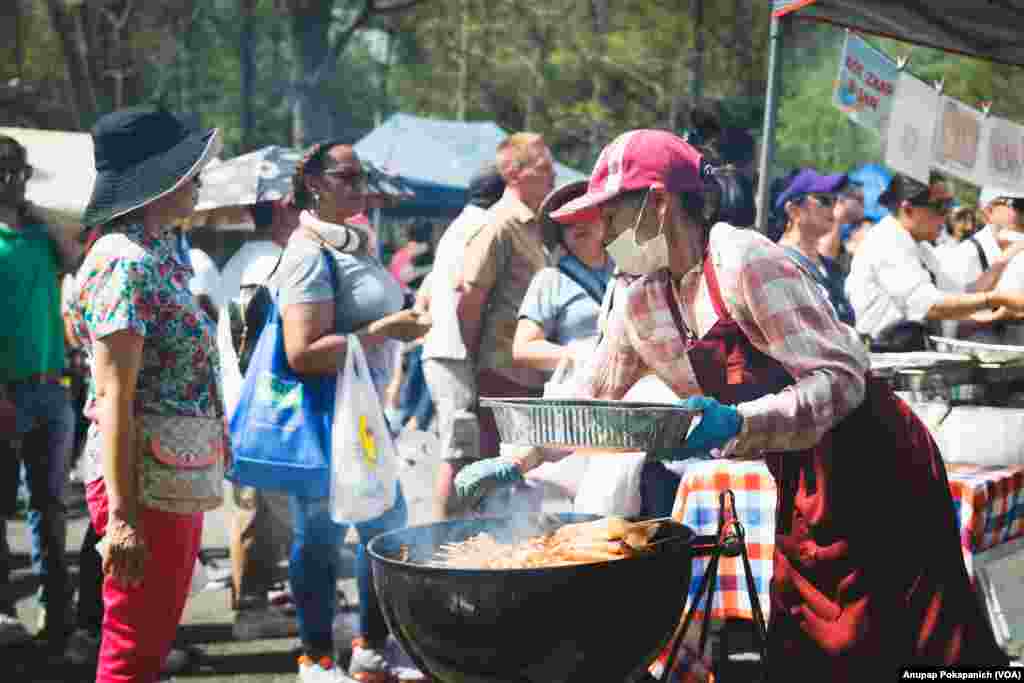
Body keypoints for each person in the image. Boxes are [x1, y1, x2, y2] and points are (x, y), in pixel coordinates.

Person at [455, 129, 1009, 679]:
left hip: (877, 462)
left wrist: (742, 420)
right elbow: (595, 396)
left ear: (658, 202)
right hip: (801, 475)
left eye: (612, 212)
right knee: (810, 643)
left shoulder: (743, 259)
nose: (602, 232)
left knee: (908, 641)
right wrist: (519, 458)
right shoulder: (638, 293)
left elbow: (841, 380)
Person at [68, 106, 224, 682]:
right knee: (133, 647)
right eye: (189, 170)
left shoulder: (157, 256)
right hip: (142, 483)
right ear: (157, 180)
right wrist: (124, 518)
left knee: (150, 642)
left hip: (168, 474)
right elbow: (112, 395)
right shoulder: (123, 262)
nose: (200, 179)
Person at [277, 140, 427, 682]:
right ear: (314, 183)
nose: (359, 185)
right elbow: (302, 353)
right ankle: (314, 656)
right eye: (347, 176)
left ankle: (371, 648)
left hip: (362, 413)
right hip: (323, 416)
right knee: (320, 537)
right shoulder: (306, 253)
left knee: (385, 531)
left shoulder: (353, 243)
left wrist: (405, 317)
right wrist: (385, 331)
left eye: (362, 175)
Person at [0, 134, 76, 652]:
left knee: (49, 508)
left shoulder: (42, 236)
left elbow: (76, 256)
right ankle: (4, 611)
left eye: (17, 170)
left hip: (53, 388)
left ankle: (57, 612)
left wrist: (38, 212)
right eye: (2, 171)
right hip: (6, 390)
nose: (10, 180)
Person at [223, 198, 301, 642]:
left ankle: (256, 601)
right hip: (260, 407)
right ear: (279, 213)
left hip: (244, 405)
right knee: (259, 511)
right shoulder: (269, 263)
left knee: (258, 511)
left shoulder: (240, 260)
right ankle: (249, 608)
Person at [456, 133, 555, 469]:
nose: (553, 175)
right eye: (544, 167)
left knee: (524, 476)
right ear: (513, 173)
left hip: (529, 375)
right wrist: (474, 363)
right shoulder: (499, 224)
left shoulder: (534, 225)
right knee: (497, 474)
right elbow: (470, 297)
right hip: (502, 373)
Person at [846, 174, 1024, 352]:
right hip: (884, 359)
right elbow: (930, 305)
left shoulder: (921, 247)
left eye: (948, 205)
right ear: (908, 209)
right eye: (940, 207)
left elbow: (960, 294)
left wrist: (1005, 258)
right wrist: (998, 299)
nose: (947, 214)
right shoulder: (887, 240)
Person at [419, 164, 505, 519]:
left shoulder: (459, 226)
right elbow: (463, 295)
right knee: (459, 451)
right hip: (455, 352)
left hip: (446, 350)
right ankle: (442, 536)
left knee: (460, 447)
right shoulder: (481, 227)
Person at [775, 169, 857, 327]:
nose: (833, 207)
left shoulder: (831, 268)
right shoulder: (778, 263)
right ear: (794, 210)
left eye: (835, 201)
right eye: (824, 200)